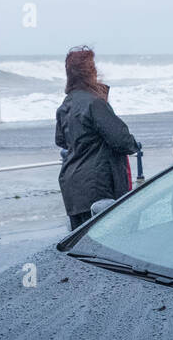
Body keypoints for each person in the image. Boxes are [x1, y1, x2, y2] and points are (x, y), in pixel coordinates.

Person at [54, 46, 139, 230]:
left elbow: (61, 140)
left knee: (80, 244)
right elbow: (123, 141)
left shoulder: (65, 105)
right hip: (97, 186)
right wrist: (134, 144)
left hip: (72, 186)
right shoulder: (95, 104)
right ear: (90, 72)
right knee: (108, 241)